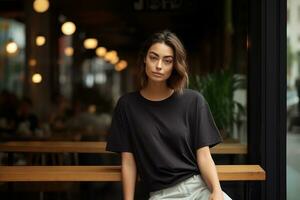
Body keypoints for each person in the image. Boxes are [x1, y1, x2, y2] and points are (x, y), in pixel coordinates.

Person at [106, 30, 232, 200]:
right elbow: (128, 161)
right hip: (162, 195)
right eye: (153, 57)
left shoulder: (193, 101)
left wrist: (216, 191)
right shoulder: (127, 106)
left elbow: (203, 155)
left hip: (199, 189)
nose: (159, 66)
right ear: (144, 58)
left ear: (174, 65)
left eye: (167, 61)